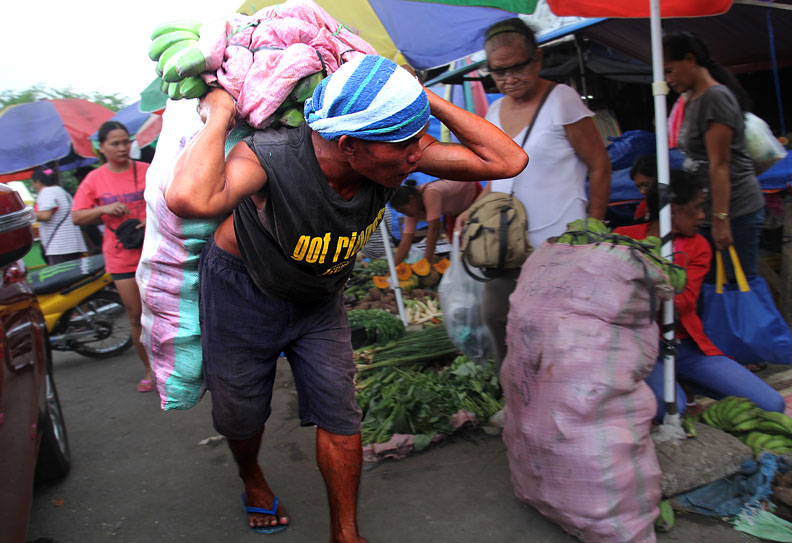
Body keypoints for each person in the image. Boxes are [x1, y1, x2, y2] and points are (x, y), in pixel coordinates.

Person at [163, 55, 527, 540]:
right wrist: (220, 114)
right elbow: (189, 199)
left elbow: (508, 161)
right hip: (242, 293)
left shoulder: (395, 153)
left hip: (318, 300)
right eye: (406, 145)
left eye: (418, 140)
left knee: (340, 413)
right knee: (241, 415)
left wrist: (418, 98)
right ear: (350, 146)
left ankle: (346, 533)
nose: (420, 155)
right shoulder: (268, 157)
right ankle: (251, 476)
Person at [463, 17, 612, 371]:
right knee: (497, 315)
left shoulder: (563, 100)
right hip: (504, 242)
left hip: (559, 240)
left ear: (538, 60)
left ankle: (560, 398)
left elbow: (600, 166)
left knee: (555, 325)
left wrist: (592, 229)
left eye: (518, 67)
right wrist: (477, 211)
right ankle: (515, 394)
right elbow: (492, 172)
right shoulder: (495, 110)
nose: (509, 78)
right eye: (499, 71)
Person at [614, 169, 784, 421]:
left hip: (683, 346)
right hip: (636, 348)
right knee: (669, 409)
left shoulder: (697, 246)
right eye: (698, 207)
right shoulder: (622, 238)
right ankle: (672, 390)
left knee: (772, 404)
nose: (703, 216)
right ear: (673, 209)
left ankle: (685, 383)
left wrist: (645, 283)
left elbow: (682, 303)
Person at [663, 31, 765, 278]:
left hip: (735, 209)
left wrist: (721, 220)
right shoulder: (692, 99)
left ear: (689, 59)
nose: (667, 79)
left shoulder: (715, 97)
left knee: (736, 288)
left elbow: (720, 164)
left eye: (669, 70)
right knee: (714, 288)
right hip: (710, 211)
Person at [72, 121, 154, 393]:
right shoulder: (94, 179)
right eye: (115, 143)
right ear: (102, 148)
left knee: (173, 311)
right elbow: (77, 216)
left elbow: (168, 199)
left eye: (125, 141)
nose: (122, 147)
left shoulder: (147, 170)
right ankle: (149, 369)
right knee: (136, 316)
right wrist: (105, 208)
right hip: (121, 257)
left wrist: (147, 217)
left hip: (155, 250)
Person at [389, 178, 481, 265]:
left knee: (475, 242)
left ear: (412, 199)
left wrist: (427, 262)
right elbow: (405, 243)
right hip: (455, 211)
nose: (406, 214)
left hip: (474, 197)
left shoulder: (430, 193)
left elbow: (433, 230)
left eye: (404, 210)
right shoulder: (413, 207)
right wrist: (392, 271)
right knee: (456, 245)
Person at [31, 166, 87, 265]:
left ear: (38, 181)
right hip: (73, 243)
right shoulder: (61, 191)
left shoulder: (46, 192)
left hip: (59, 246)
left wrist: (26, 215)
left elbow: (45, 215)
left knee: (64, 278)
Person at [629, 153, 657, 222]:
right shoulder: (642, 208)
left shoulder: (678, 203)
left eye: (646, 185)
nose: (642, 191)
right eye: (638, 187)